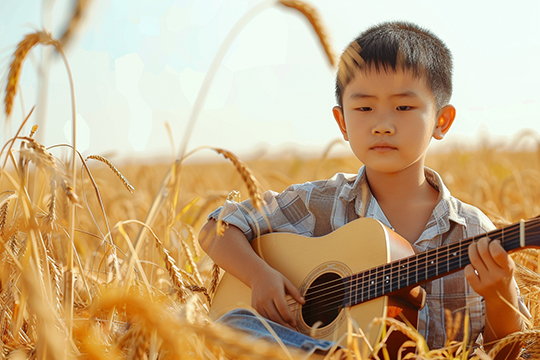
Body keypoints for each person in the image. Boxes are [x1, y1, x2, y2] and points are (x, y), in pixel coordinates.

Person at [199, 21, 530, 359]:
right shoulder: (318, 203)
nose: (382, 125)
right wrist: (259, 276)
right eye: (364, 108)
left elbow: (504, 351)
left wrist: (499, 294)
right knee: (227, 323)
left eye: (403, 107)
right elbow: (216, 229)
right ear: (342, 122)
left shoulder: (473, 233)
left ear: (441, 121)